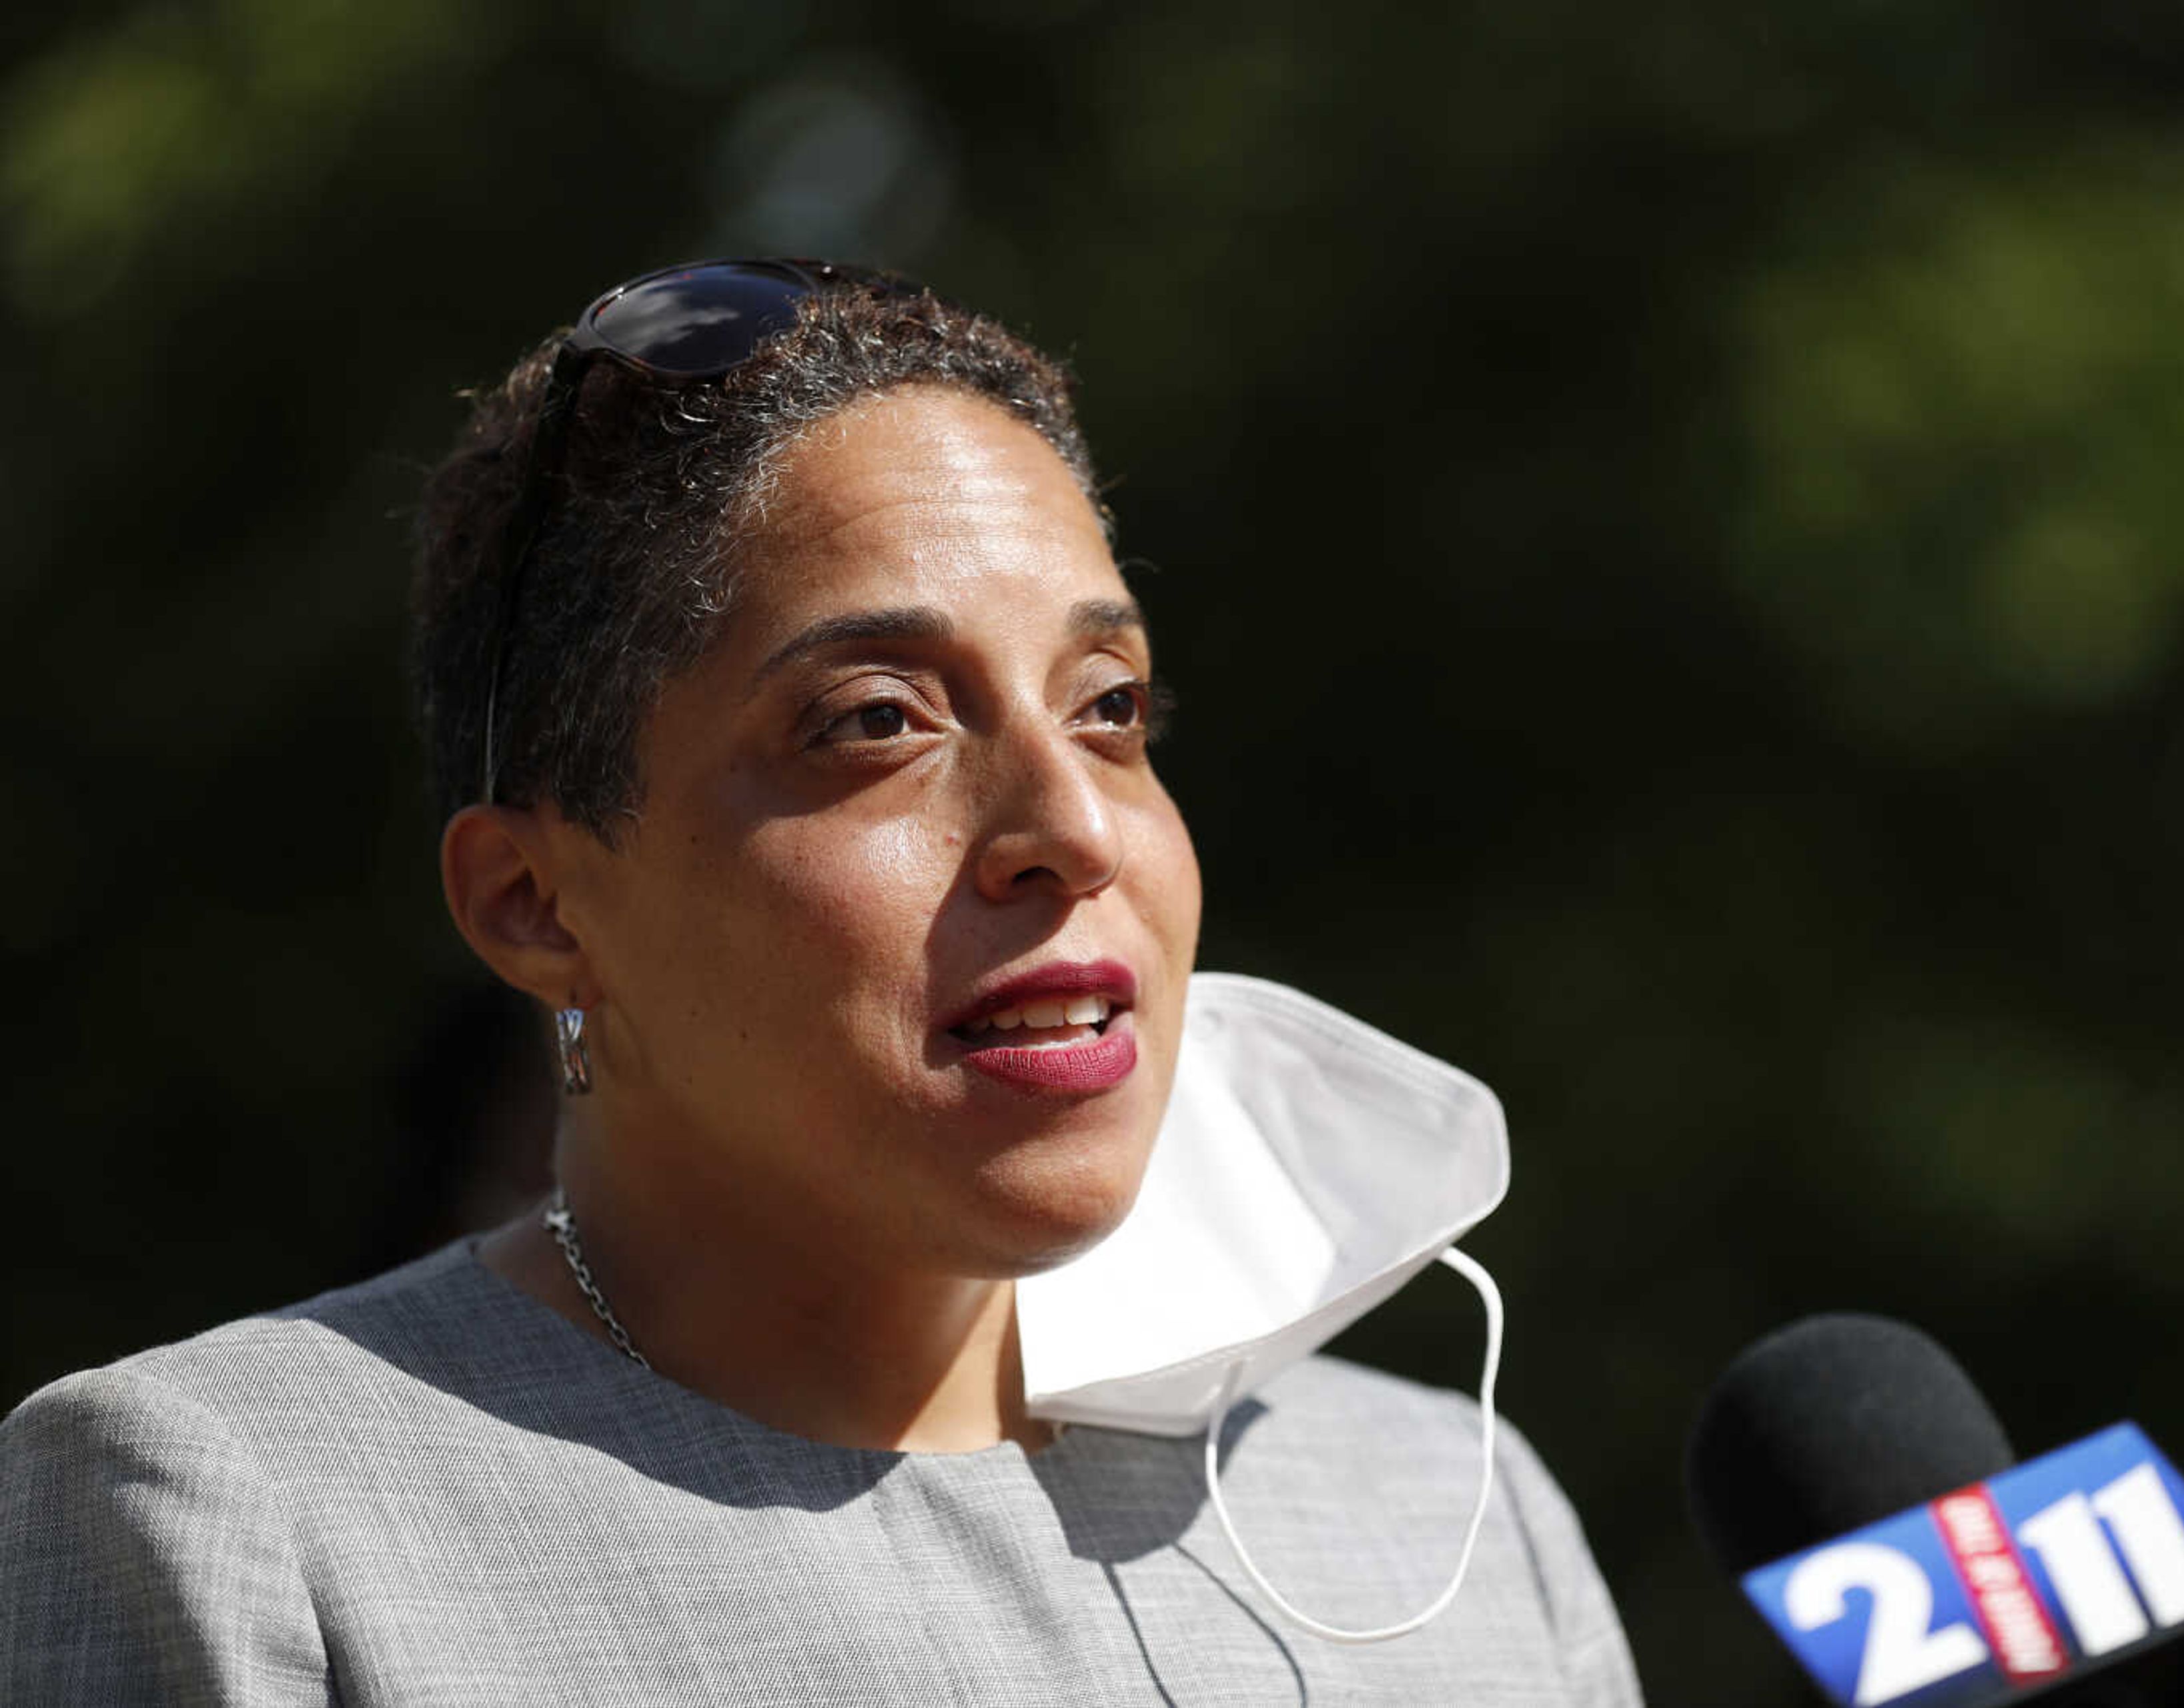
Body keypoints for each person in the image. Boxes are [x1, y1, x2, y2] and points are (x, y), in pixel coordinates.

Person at [0, 260, 1642, 1704]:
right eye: (878, 721)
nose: (1073, 830)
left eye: (1112, 708)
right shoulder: (243, 1518)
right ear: (535, 903)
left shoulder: (1446, 1515)